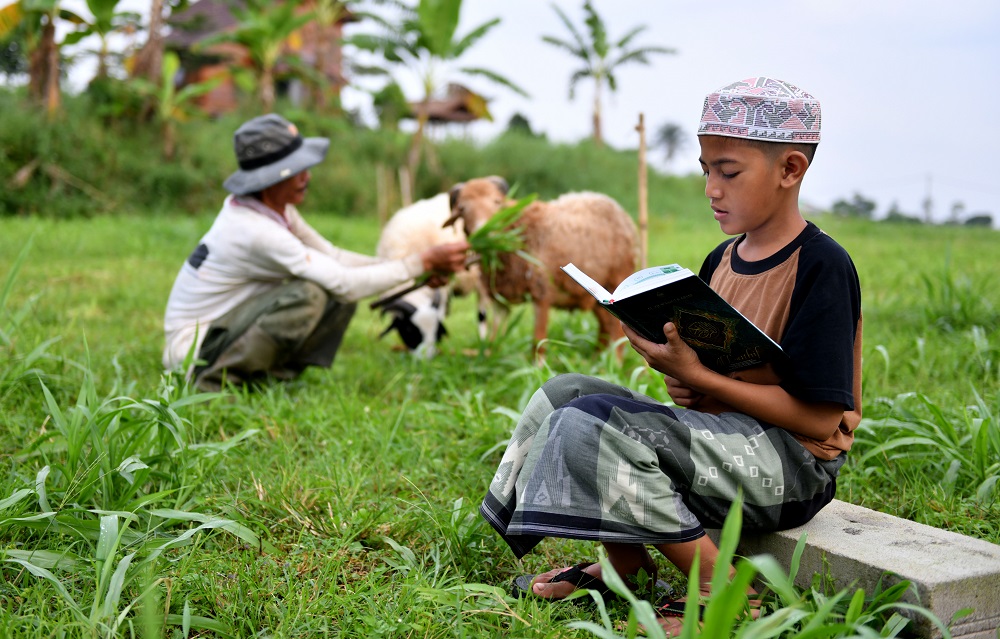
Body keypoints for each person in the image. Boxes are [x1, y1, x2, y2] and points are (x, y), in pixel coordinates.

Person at [479, 77, 862, 631]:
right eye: (706, 169)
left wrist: (704, 379)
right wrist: (686, 382)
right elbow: (708, 377)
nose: (711, 188)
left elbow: (820, 419)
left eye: (728, 172)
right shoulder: (721, 259)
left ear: (790, 170)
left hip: (793, 462)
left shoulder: (821, 267)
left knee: (592, 426)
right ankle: (624, 567)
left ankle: (725, 591)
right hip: (723, 439)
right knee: (565, 395)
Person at [162, 113, 469, 390]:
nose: (306, 177)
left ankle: (269, 377)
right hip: (193, 353)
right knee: (311, 293)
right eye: (296, 170)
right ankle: (217, 384)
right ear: (270, 178)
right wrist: (421, 262)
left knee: (329, 289)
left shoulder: (275, 211)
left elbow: (333, 257)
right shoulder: (257, 231)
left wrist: (416, 270)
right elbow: (345, 283)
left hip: (222, 331)